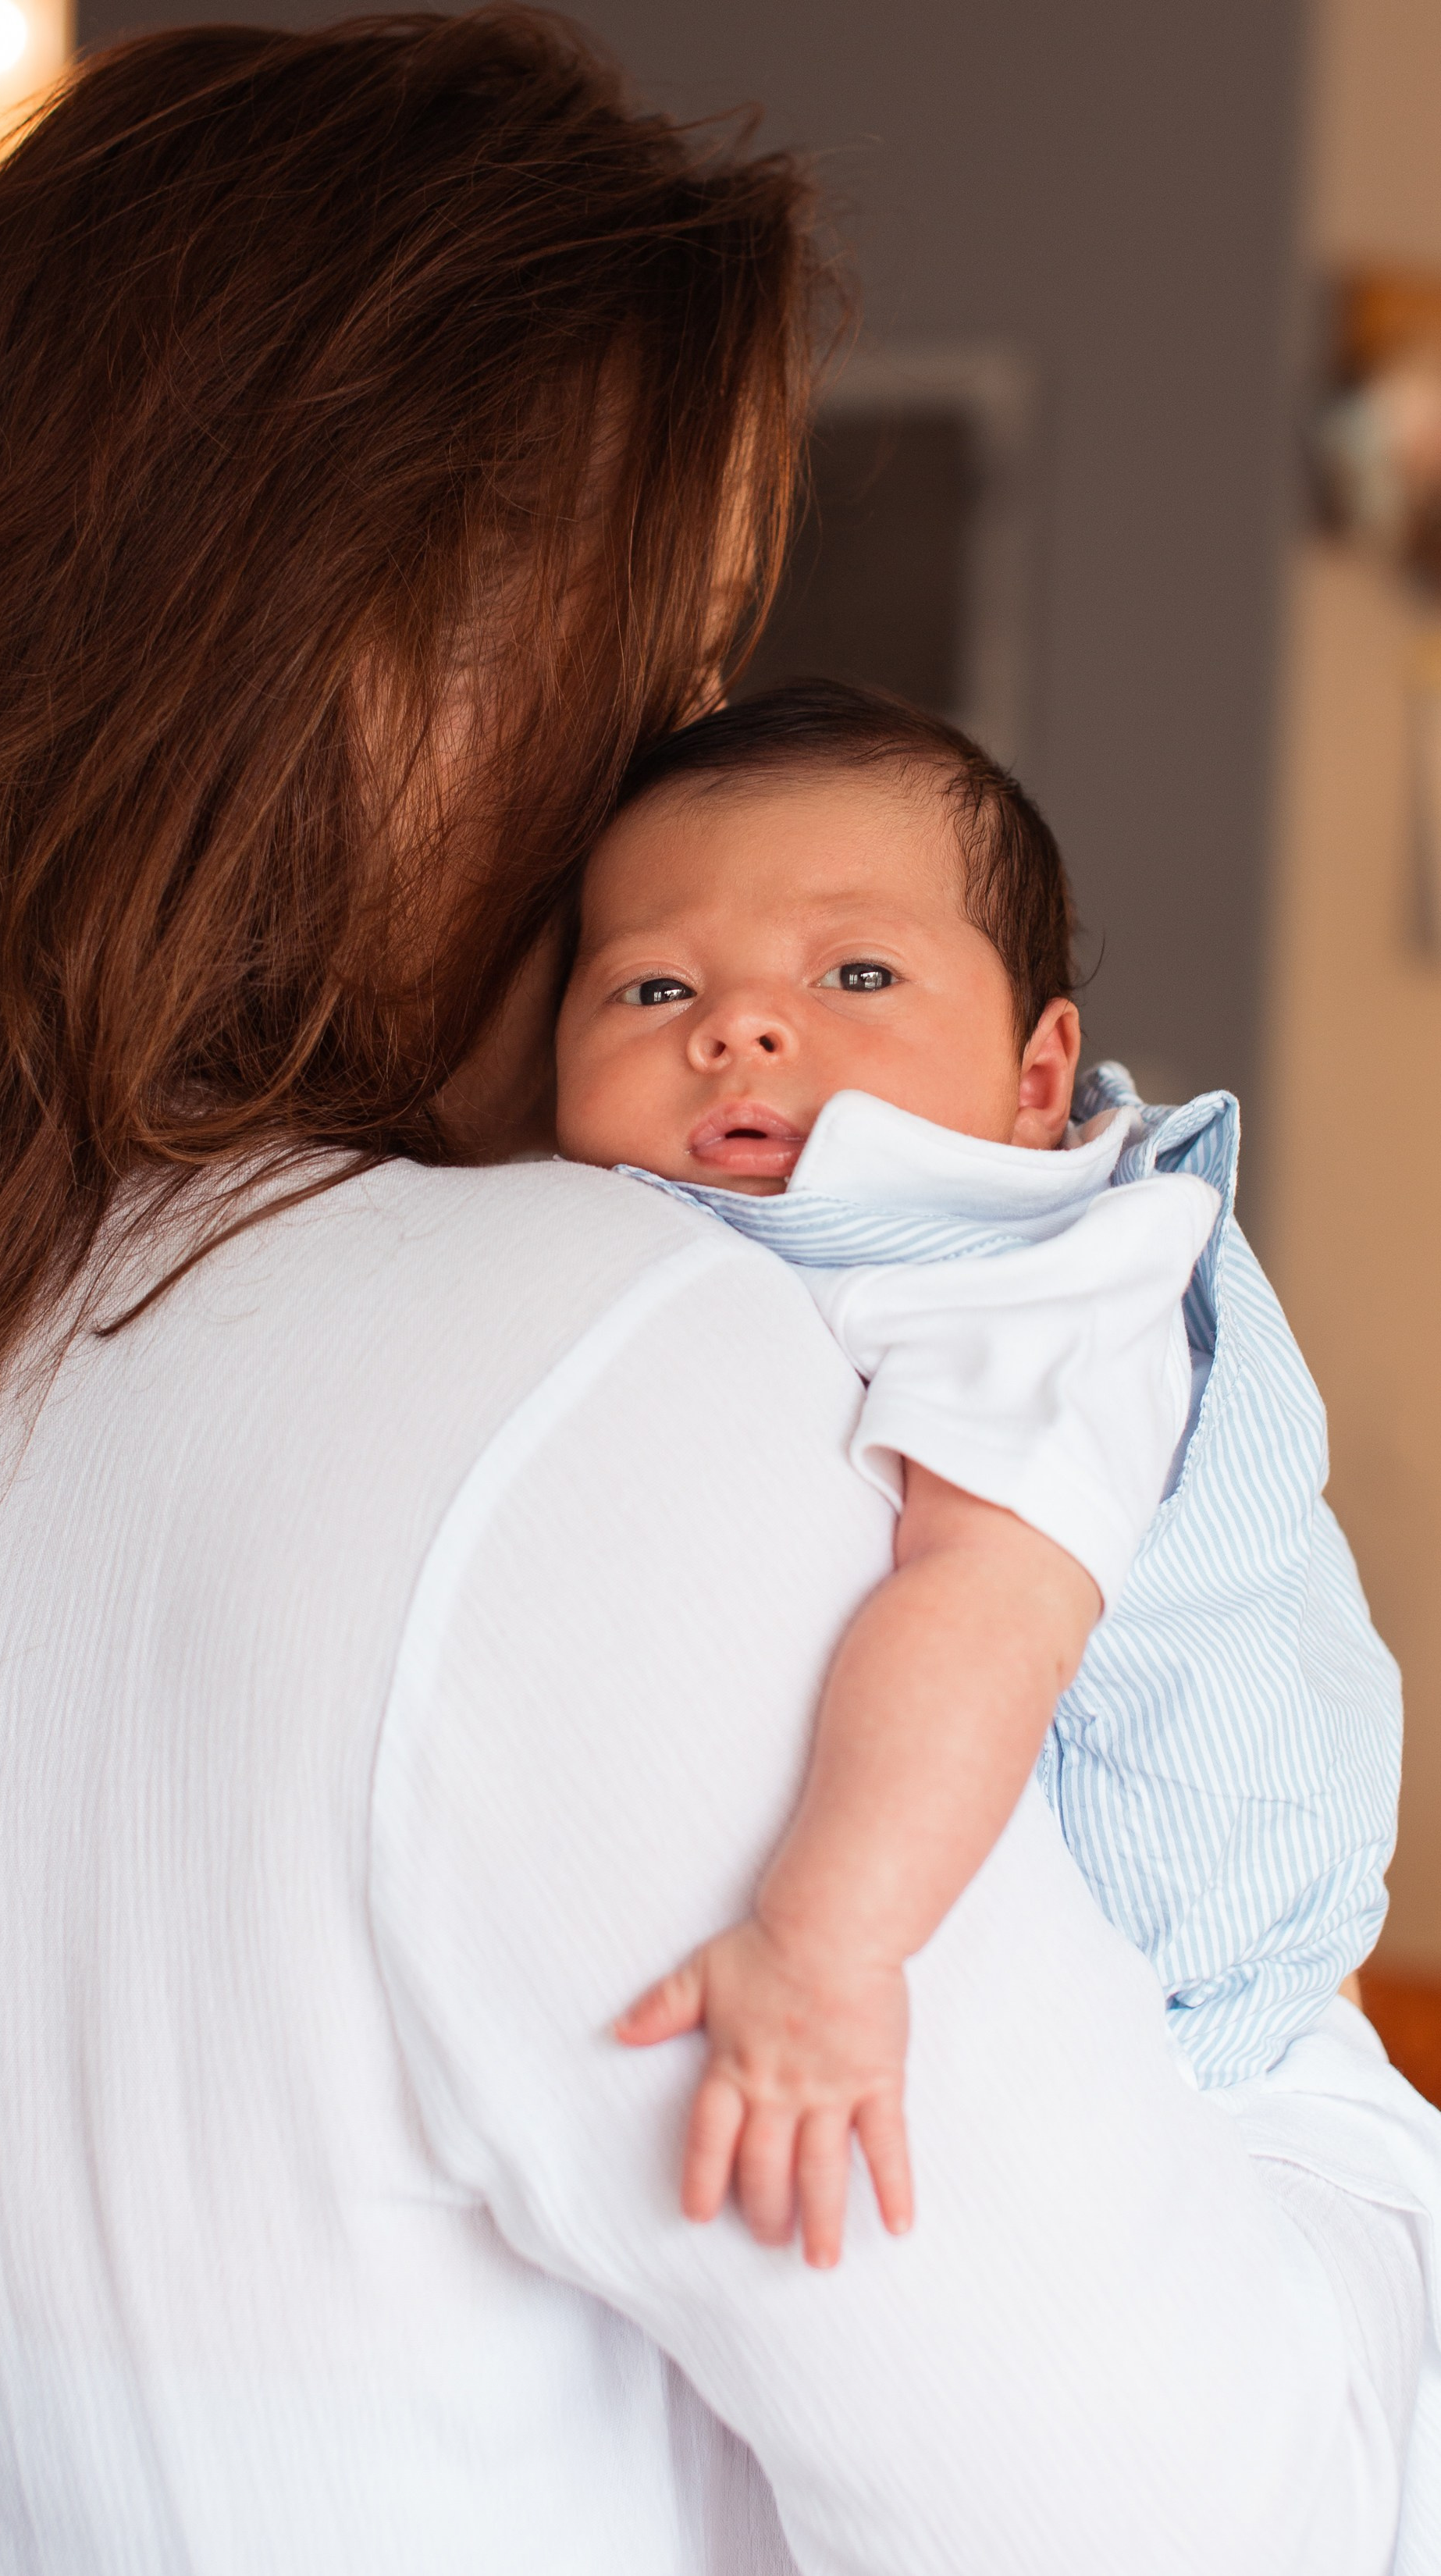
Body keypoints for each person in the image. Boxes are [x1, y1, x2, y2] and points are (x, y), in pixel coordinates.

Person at [0, 16, 1437, 2574]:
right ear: (390, 680)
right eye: (662, 667)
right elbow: (1225, 2520)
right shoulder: (585, 1359)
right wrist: (1301, 2087)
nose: (683, 779)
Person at [553, 678, 1404, 2264]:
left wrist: (823, 1944)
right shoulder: (686, 1239)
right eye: (653, 986)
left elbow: (982, 1608)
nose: (737, 1027)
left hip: (1230, 2050)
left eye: (855, 973)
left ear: (1033, 1078)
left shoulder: (1044, 1276)